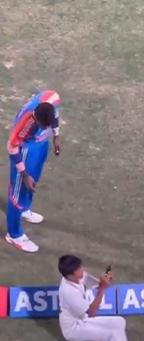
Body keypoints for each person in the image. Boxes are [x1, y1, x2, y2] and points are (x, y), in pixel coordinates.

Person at [5, 90, 63, 253]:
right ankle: (14, 234)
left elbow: (55, 113)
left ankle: (24, 209)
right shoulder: (25, 124)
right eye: (43, 125)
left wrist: (56, 136)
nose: (45, 127)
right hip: (24, 149)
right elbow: (12, 147)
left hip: (39, 145)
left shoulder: (52, 99)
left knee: (33, 182)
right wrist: (23, 173)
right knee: (17, 193)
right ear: (36, 119)